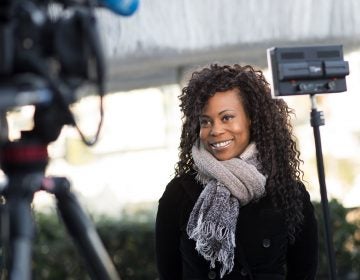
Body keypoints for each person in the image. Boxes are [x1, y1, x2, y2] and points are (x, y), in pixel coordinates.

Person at [155, 64, 318, 280]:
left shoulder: (286, 191)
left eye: (227, 117)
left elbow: (304, 272)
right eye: (206, 121)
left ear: (251, 119)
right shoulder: (180, 193)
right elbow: (169, 272)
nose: (215, 130)